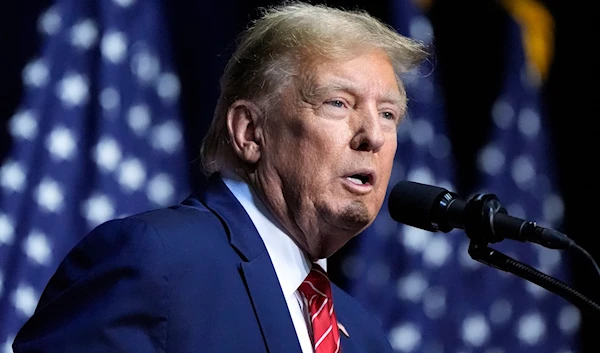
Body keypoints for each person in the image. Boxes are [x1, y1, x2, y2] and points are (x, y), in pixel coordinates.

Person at [12, 2, 428, 352]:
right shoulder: (156, 261)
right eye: (338, 103)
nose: (373, 135)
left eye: (389, 114)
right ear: (249, 132)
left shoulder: (364, 335)